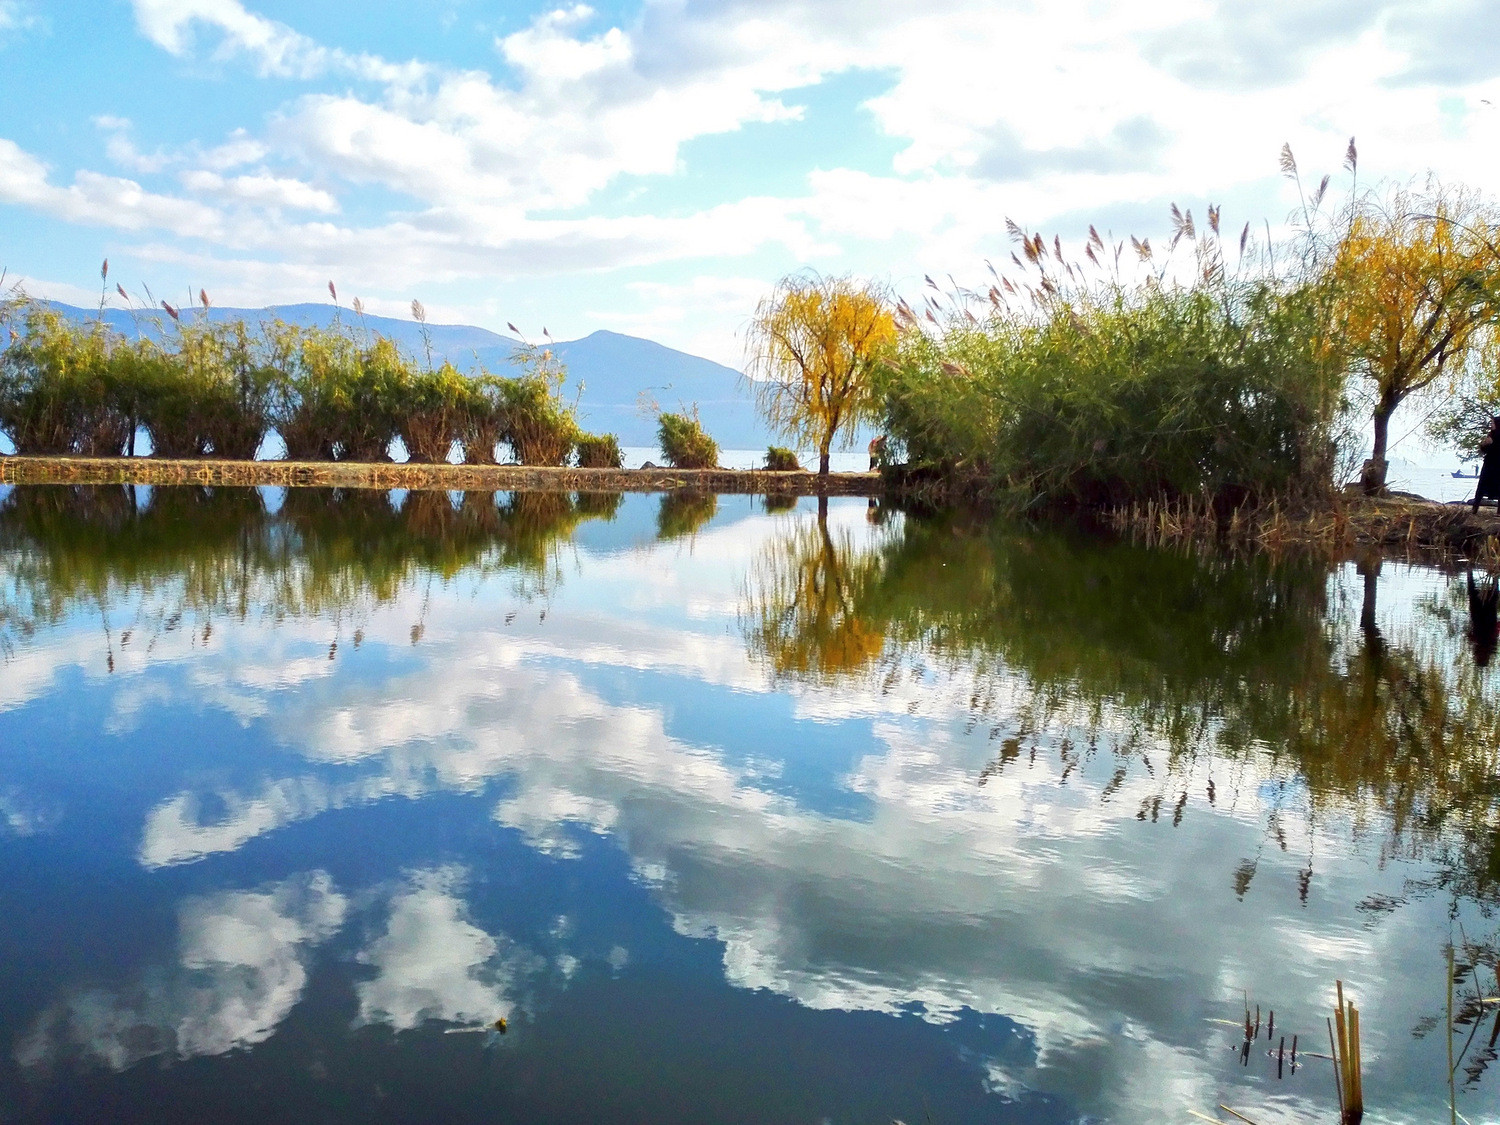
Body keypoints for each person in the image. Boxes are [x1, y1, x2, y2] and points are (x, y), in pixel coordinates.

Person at [1474, 416, 1500, 514]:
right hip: (1489, 464)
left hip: (1498, 465)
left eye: (1493, 423)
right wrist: (1484, 444)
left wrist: (1493, 444)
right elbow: (1485, 450)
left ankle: (1499, 511)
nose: (1491, 425)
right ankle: (1475, 508)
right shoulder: (1491, 434)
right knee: (1482, 486)